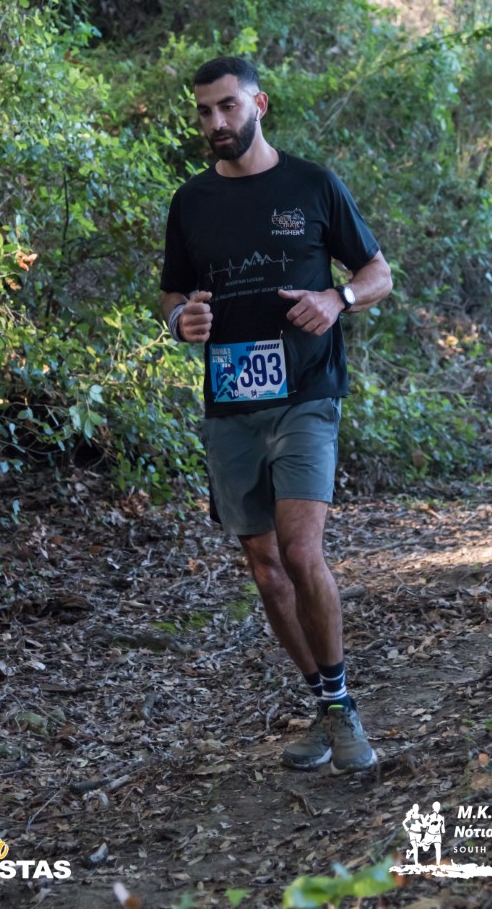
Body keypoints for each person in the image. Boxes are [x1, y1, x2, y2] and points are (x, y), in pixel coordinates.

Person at [160, 56, 392, 775]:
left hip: (306, 395)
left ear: (258, 104)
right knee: (264, 569)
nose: (215, 122)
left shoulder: (312, 185)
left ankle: (342, 707)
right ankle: (324, 702)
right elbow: (171, 295)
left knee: (298, 551)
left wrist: (336, 300)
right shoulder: (191, 202)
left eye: (227, 106)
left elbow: (376, 274)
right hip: (231, 402)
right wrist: (180, 321)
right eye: (204, 111)